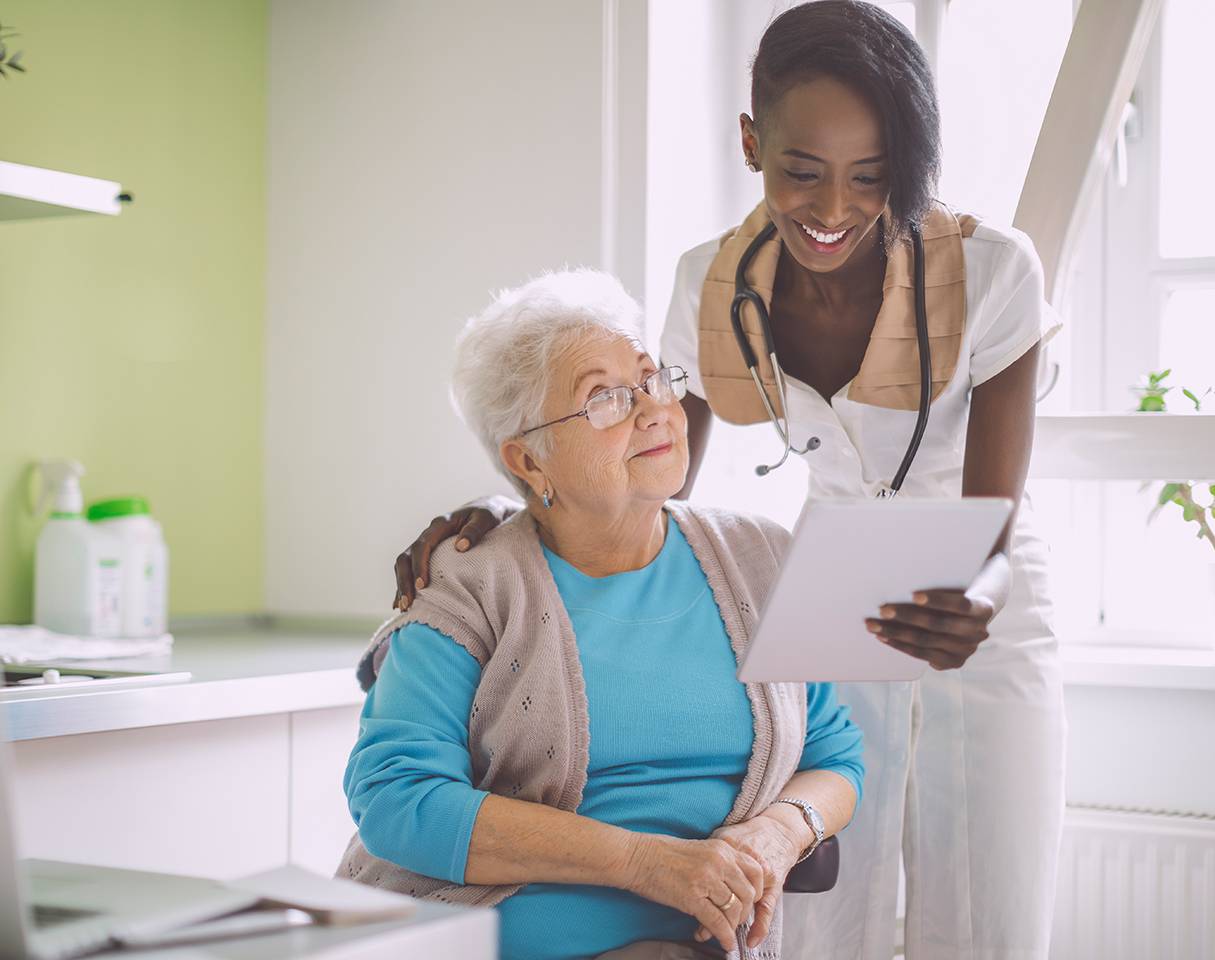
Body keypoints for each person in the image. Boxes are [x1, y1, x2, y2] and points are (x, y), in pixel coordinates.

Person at [390, 4, 1066, 958]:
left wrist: (977, 598)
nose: (833, 210)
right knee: (828, 902)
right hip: (839, 573)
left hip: (983, 583)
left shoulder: (994, 270)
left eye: (871, 177)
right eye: (802, 172)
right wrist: (508, 512)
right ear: (752, 143)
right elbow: (647, 469)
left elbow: (991, 518)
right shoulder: (711, 280)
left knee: (989, 904)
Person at [340, 269, 865, 960]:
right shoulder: (471, 586)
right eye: (605, 399)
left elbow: (835, 757)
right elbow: (396, 797)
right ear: (530, 459)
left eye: (651, 380)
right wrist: (644, 863)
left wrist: (782, 832)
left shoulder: (761, 558)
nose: (653, 410)